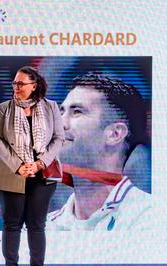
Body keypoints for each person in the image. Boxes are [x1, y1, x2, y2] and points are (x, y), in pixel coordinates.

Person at [47, 72, 151, 230]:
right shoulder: (45, 228)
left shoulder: (150, 218)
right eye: (61, 112)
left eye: (77, 112)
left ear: (115, 134)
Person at [0, 66, 64, 266]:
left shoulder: (51, 107)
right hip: (12, 174)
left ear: (34, 86)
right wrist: (18, 165)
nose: (16, 88)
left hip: (42, 174)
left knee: (36, 225)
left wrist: (40, 163)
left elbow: (59, 139)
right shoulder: (4, 108)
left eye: (21, 84)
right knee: (11, 225)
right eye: (14, 83)